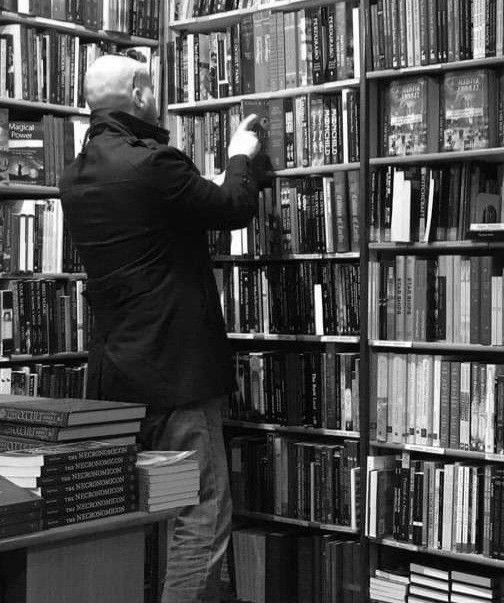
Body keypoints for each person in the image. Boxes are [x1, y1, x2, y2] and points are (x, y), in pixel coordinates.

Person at [60, 54, 261, 603]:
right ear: (140, 94)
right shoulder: (153, 164)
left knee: (146, 510)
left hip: (117, 376)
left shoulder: (74, 177)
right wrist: (240, 155)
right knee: (200, 512)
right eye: (152, 87)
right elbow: (232, 206)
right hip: (176, 372)